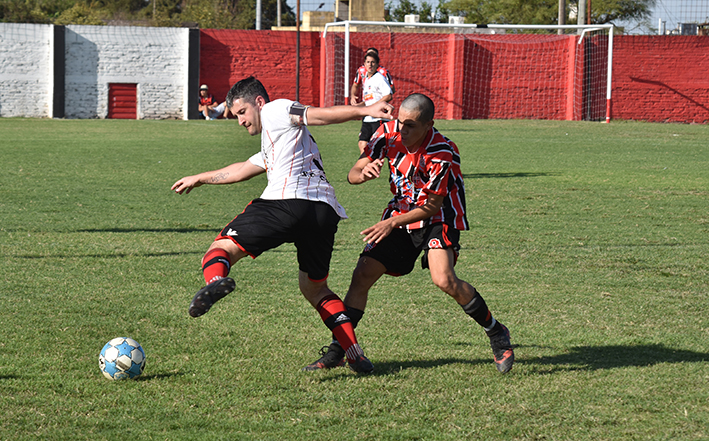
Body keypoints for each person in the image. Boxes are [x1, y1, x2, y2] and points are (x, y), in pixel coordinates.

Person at [171, 76, 393, 373]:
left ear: (258, 103)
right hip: (324, 213)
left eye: (241, 113)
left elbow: (316, 115)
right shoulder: (279, 138)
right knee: (316, 290)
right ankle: (354, 353)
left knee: (220, 248)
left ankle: (216, 282)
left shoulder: (275, 110)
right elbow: (242, 169)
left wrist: (366, 109)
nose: (239, 122)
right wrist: (200, 177)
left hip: (286, 203)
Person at [303, 93, 515, 374]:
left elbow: (431, 206)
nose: (403, 130)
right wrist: (363, 173)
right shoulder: (387, 134)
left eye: (411, 125)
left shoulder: (443, 151)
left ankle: (496, 332)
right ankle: (338, 350)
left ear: (429, 125)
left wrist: (391, 224)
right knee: (363, 273)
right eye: (400, 122)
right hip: (401, 212)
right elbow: (353, 172)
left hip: (438, 217)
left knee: (443, 278)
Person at [351, 50, 393, 154]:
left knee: (379, 148)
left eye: (373, 62)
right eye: (368, 62)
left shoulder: (380, 78)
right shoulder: (368, 79)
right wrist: (357, 106)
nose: (370, 64)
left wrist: (375, 106)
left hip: (378, 118)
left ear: (377, 65)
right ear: (364, 64)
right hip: (367, 118)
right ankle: (365, 167)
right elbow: (367, 101)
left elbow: (388, 95)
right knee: (362, 144)